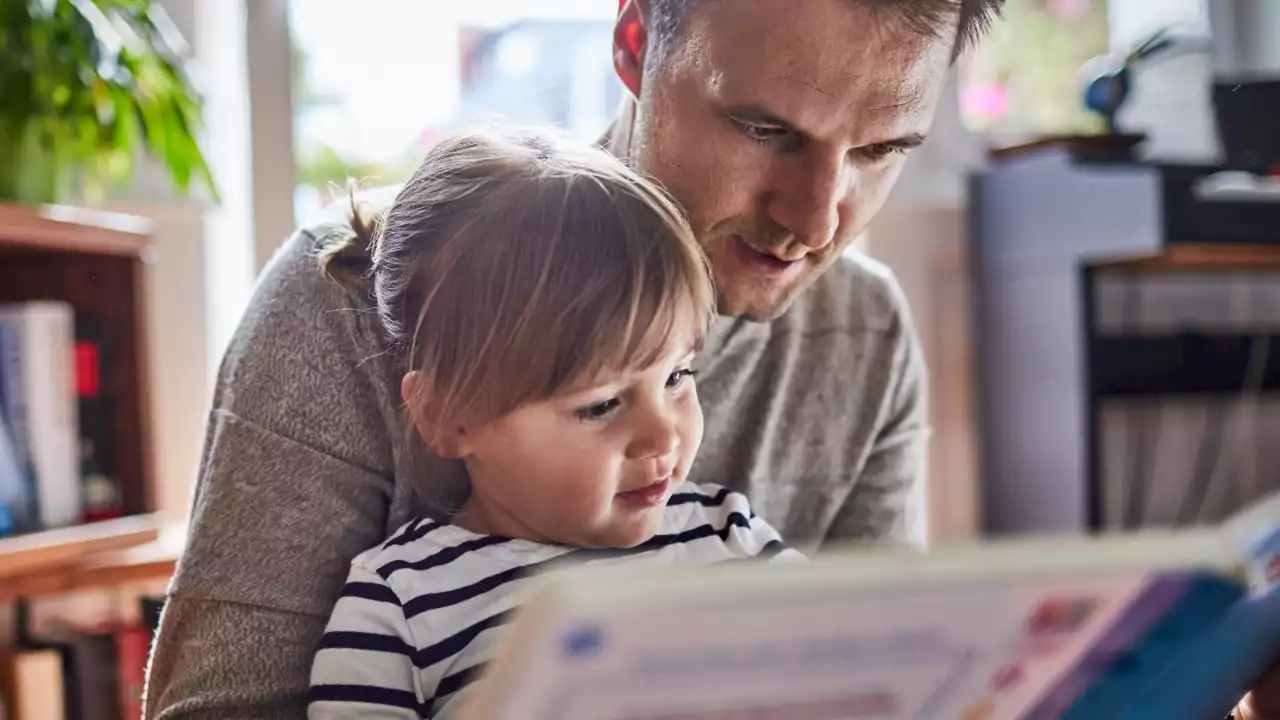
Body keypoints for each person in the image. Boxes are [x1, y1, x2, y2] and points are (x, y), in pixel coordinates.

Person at [144, 0, 1280, 718]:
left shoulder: (863, 330)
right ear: (636, 41)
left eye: (881, 148)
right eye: (764, 129)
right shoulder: (354, 294)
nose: (816, 217)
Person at [307, 126, 805, 719]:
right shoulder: (400, 604)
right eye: (600, 405)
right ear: (449, 416)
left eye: (676, 377)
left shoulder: (730, 536)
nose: (664, 435)